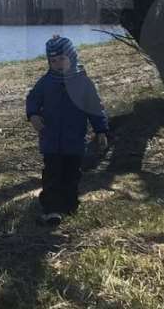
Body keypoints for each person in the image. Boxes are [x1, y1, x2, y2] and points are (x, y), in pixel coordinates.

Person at [25, 35, 109, 225]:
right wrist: (33, 115)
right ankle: (52, 209)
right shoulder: (46, 82)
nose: (58, 64)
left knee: (72, 175)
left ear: (72, 57)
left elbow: (95, 107)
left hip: (74, 140)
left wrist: (101, 130)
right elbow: (32, 100)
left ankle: (70, 205)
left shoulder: (83, 82)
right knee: (52, 175)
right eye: (53, 61)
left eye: (62, 59)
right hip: (51, 140)